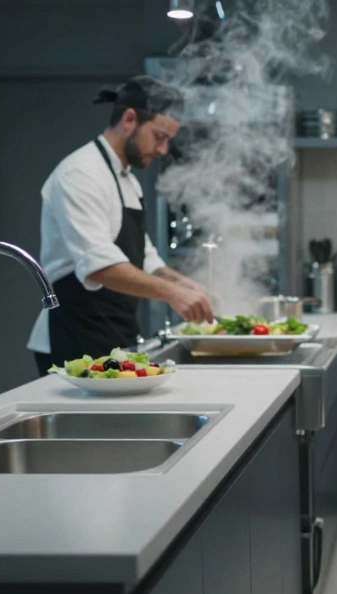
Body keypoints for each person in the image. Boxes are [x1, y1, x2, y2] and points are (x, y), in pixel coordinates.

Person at [28, 75, 213, 374]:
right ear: (129, 119)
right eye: (159, 136)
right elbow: (100, 266)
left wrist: (182, 283)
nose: (163, 150)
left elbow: (144, 256)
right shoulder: (80, 174)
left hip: (113, 336)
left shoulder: (126, 179)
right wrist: (174, 294)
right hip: (75, 339)